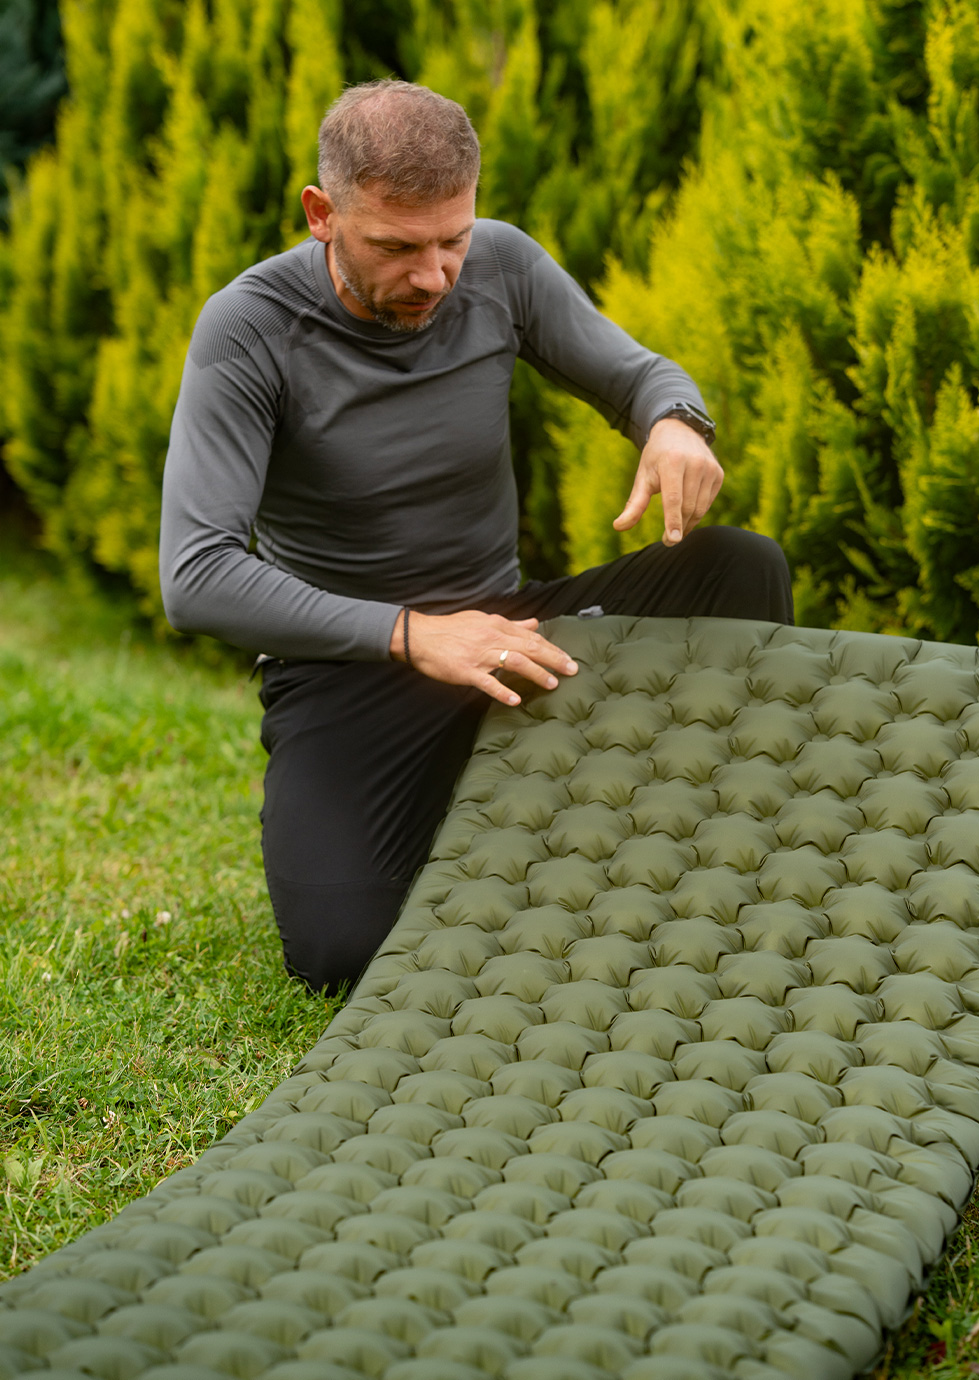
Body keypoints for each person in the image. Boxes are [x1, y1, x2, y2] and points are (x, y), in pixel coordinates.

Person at [160, 79, 794, 993]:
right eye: (396, 246)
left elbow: (638, 376)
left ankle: (712, 834)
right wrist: (414, 634)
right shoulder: (249, 330)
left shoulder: (500, 266)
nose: (433, 276)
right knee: (342, 952)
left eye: (451, 240)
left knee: (739, 567)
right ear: (320, 214)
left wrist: (673, 420)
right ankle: (512, 828)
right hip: (353, 673)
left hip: (508, 642)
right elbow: (197, 574)